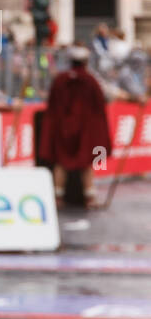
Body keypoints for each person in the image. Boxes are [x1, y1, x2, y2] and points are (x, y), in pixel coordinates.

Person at [40, 46, 111, 208]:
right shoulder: (90, 80)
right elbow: (100, 102)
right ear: (86, 62)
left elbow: (52, 104)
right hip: (85, 129)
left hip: (62, 128)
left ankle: (57, 197)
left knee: (61, 161)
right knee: (86, 163)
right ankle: (90, 197)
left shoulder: (60, 79)